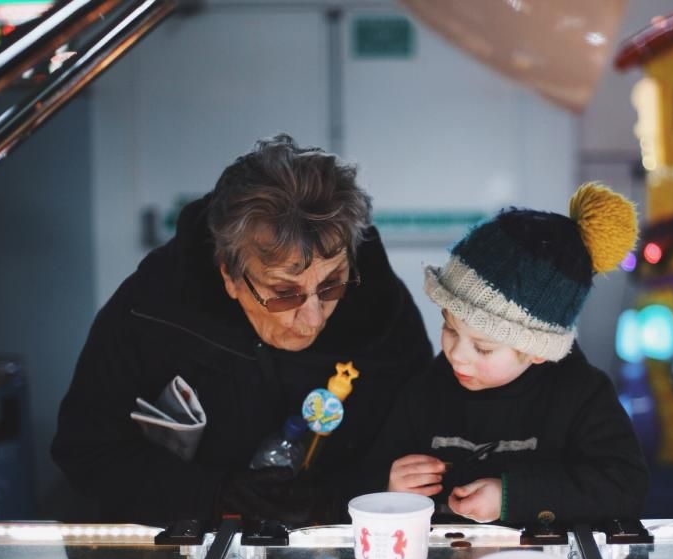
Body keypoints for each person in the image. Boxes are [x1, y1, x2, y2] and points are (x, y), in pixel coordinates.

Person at [52, 134, 433, 525]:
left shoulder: (381, 308)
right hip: (186, 552)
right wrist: (215, 494)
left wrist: (335, 499)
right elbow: (86, 451)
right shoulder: (153, 309)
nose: (315, 317)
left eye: (332, 284)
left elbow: (422, 442)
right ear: (230, 277)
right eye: (285, 294)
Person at [364, 183, 648, 525]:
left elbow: (625, 488)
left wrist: (512, 499)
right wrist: (389, 487)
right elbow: (363, 475)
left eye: (483, 347)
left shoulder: (580, 395)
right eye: (450, 329)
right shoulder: (423, 391)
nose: (457, 355)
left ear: (537, 351)